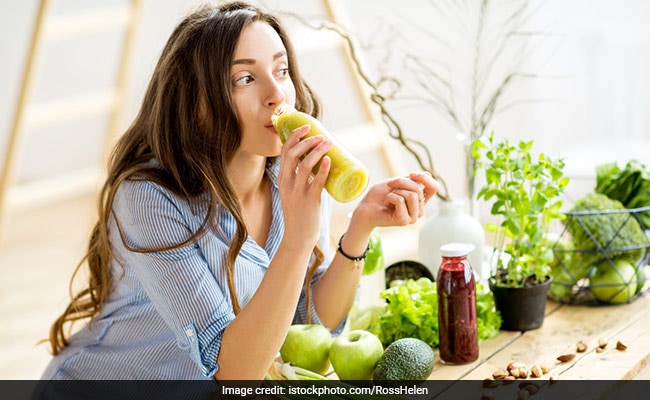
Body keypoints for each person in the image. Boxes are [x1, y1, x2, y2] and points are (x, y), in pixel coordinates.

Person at [40, 1, 438, 381]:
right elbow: (231, 371)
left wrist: (359, 228)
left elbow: (303, 324)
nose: (277, 94)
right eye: (245, 79)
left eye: (281, 71)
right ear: (199, 103)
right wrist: (298, 240)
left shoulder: (292, 173)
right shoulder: (148, 198)